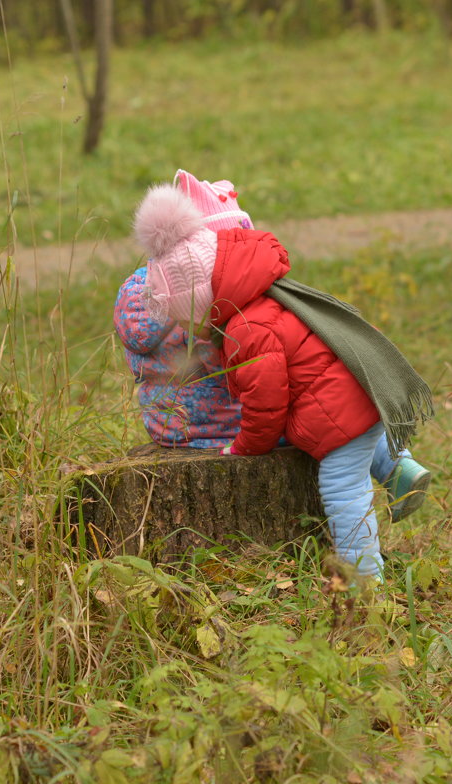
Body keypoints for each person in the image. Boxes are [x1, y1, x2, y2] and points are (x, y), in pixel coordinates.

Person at [132, 177, 434, 580]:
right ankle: (400, 472)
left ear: (206, 300)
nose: (191, 330)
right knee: (358, 437)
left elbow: (265, 403)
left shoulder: (244, 330)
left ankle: (366, 579)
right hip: (356, 393)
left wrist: (247, 447)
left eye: (189, 319)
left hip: (337, 409)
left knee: (343, 489)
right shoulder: (263, 295)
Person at [113, 170, 246, 449]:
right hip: (235, 428)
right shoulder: (208, 295)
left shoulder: (138, 288)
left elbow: (138, 358)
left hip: (167, 425)